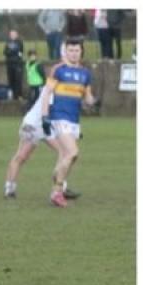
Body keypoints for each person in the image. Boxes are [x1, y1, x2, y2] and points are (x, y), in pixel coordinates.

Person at [41, 37, 95, 208]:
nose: (73, 53)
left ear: (81, 52)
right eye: (70, 50)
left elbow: (87, 98)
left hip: (74, 119)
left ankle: (57, 180)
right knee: (72, 152)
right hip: (59, 116)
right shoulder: (58, 70)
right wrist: (44, 117)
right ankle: (57, 191)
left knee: (70, 156)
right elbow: (46, 93)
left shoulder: (86, 74)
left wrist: (93, 101)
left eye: (77, 50)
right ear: (66, 52)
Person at [3, 29, 24, 100]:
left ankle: (19, 95)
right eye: (11, 34)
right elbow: (5, 52)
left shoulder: (20, 42)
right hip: (9, 64)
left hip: (17, 64)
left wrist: (11, 51)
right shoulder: (7, 43)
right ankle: (11, 95)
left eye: (14, 34)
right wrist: (12, 51)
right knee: (10, 80)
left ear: (17, 35)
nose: (12, 36)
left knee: (18, 80)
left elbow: (20, 52)